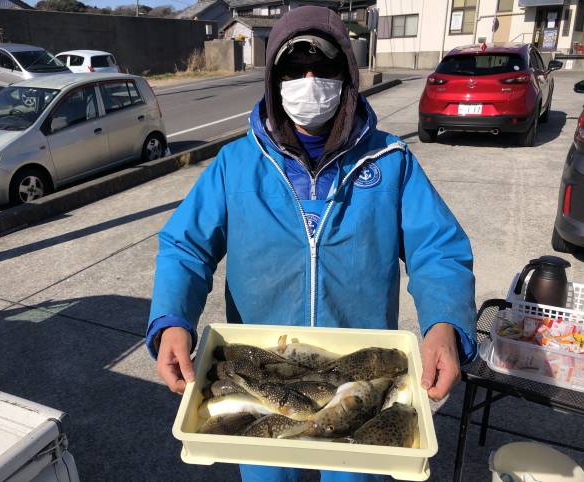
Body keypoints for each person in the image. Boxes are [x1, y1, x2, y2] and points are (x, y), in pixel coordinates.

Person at [146, 6, 477, 482]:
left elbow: (438, 249)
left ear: (346, 76)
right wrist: (172, 320)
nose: (309, 81)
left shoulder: (391, 160)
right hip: (263, 369)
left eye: (323, 67)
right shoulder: (235, 164)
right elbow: (185, 246)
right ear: (273, 80)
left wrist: (444, 322)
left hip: (360, 371)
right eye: (293, 69)